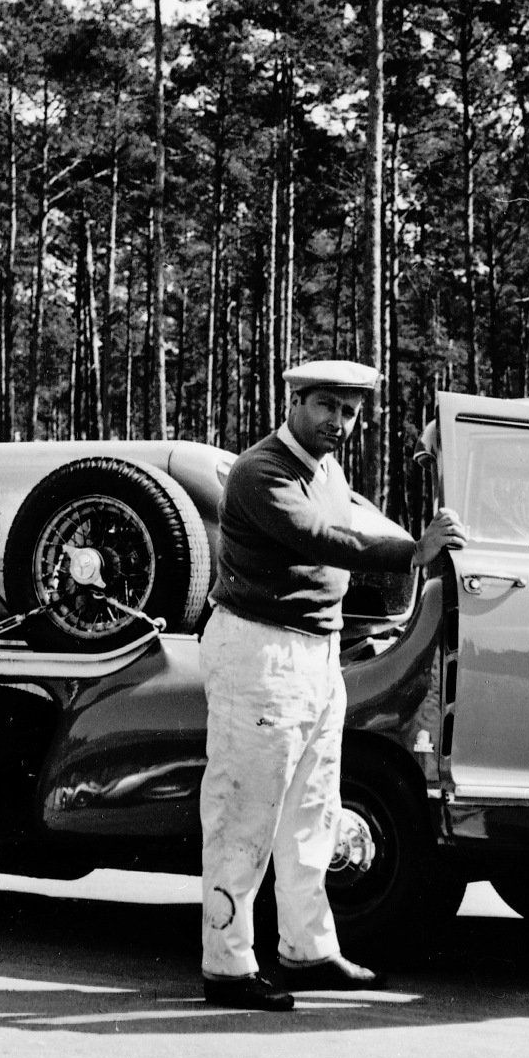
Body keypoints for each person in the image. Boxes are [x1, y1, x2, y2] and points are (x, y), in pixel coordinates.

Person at [199, 360, 466, 1012]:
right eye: (324, 405)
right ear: (292, 400)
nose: (337, 421)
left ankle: (307, 950)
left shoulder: (326, 468)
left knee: (312, 811)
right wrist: (412, 552)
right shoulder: (260, 470)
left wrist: (428, 463)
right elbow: (320, 537)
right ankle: (226, 965)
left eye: (348, 411)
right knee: (245, 812)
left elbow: (353, 523)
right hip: (259, 649)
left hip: (315, 652)